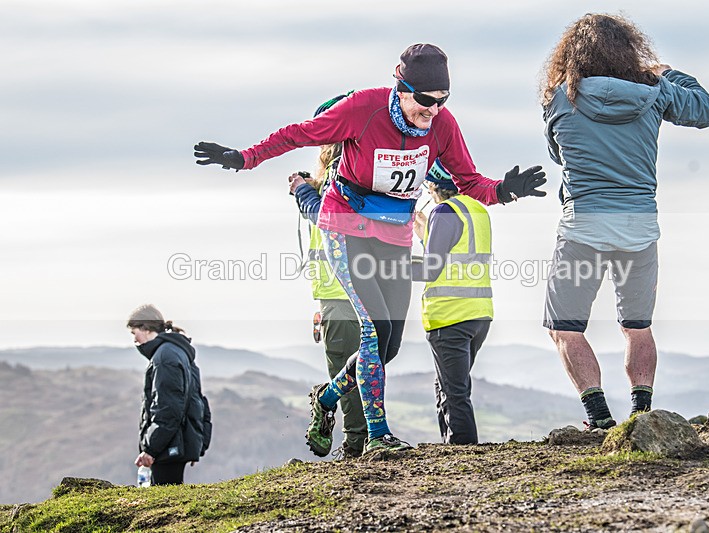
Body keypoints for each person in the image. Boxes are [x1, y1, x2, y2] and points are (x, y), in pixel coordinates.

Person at [195, 43, 547, 455]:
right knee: (374, 330)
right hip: (346, 227)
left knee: (387, 345)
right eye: (425, 100)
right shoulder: (364, 109)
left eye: (442, 101)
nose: (432, 110)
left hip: (393, 236)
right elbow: (299, 134)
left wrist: (505, 191)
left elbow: (469, 181)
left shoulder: (442, 126)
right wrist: (245, 158)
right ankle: (379, 437)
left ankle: (327, 398)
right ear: (401, 85)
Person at [540, 13, 709, 429]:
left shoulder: (558, 98)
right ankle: (641, 415)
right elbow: (707, 111)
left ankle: (599, 418)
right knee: (637, 327)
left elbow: (557, 155)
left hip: (583, 225)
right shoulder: (655, 92)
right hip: (639, 226)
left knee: (565, 328)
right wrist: (667, 73)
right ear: (629, 51)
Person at [288, 94, 367, 459]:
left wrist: (305, 191)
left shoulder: (344, 169)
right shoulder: (363, 166)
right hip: (354, 292)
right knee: (363, 367)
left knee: (354, 370)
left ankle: (350, 431)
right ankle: (361, 442)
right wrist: (312, 189)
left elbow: (326, 216)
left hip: (340, 293)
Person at [412, 159, 493, 445]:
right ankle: (451, 448)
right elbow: (456, 255)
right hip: (479, 314)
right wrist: (426, 237)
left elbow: (431, 268)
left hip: (450, 317)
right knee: (447, 386)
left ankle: (463, 453)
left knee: (455, 394)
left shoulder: (443, 211)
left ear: (432, 186)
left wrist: (388, 264)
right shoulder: (477, 211)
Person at [127, 304, 210, 485]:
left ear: (146, 328)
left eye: (134, 333)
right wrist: (197, 443)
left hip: (168, 446)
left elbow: (167, 408)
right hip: (176, 443)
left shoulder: (164, 358)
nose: (135, 340)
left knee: (164, 506)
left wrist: (151, 449)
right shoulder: (177, 351)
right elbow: (197, 400)